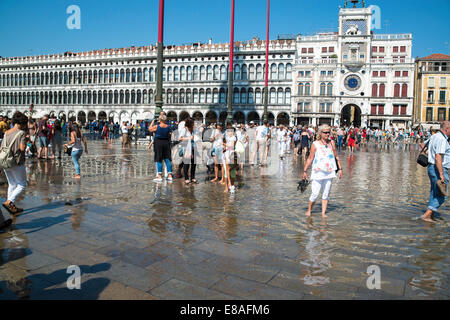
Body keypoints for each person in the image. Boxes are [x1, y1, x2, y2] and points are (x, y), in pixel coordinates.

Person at [302, 124, 343, 218]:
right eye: (325, 132)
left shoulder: (332, 143)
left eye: (329, 132)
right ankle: (309, 210)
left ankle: (323, 213)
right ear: (320, 133)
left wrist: (340, 169)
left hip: (329, 172)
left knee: (326, 193)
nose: (327, 134)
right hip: (318, 172)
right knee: (315, 193)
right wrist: (304, 171)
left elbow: (336, 156)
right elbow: (310, 158)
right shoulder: (315, 144)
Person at [421, 121, 450, 222]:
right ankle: (427, 215)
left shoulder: (434, 136)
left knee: (434, 192)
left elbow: (422, 145)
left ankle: (431, 215)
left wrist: (429, 155)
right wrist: (441, 174)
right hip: (438, 169)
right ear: (447, 129)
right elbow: (438, 157)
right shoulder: (442, 139)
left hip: (431, 168)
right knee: (442, 195)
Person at [1, 112, 28, 215]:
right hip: (17, 162)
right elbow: (22, 148)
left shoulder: (6, 132)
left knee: (12, 184)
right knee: (22, 184)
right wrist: (25, 140)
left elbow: (2, 147)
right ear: (22, 123)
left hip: (6, 161)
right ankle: (9, 202)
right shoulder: (21, 133)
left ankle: (11, 206)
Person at [149, 114, 173, 182]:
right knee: (167, 159)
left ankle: (159, 176)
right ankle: (170, 175)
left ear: (159, 120)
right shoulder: (168, 127)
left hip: (158, 143)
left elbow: (150, 129)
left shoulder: (157, 126)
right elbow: (170, 134)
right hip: (166, 143)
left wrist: (152, 122)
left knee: (159, 159)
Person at [180, 119, 197, 184]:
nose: (193, 125)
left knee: (194, 163)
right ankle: (186, 178)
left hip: (193, 147)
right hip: (186, 148)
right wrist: (188, 138)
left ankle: (192, 177)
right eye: (193, 123)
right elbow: (180, 138)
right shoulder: (184, 129)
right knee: (186, 163)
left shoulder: (193, 130)